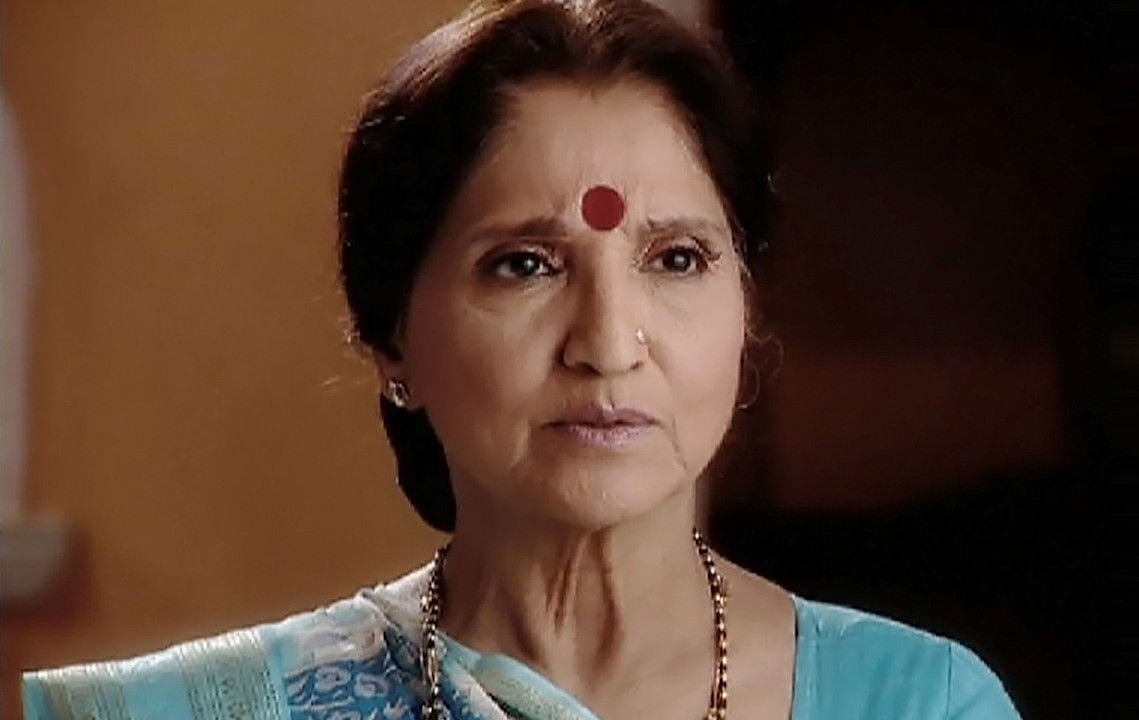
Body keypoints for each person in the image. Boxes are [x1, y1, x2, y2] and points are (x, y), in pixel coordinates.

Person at [22, 1, 1023, 718]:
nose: (608, 345)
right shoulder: (222, 709)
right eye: (525, 265)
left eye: (676, 259)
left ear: (745, 308)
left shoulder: (920, 702)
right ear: (392, 334)